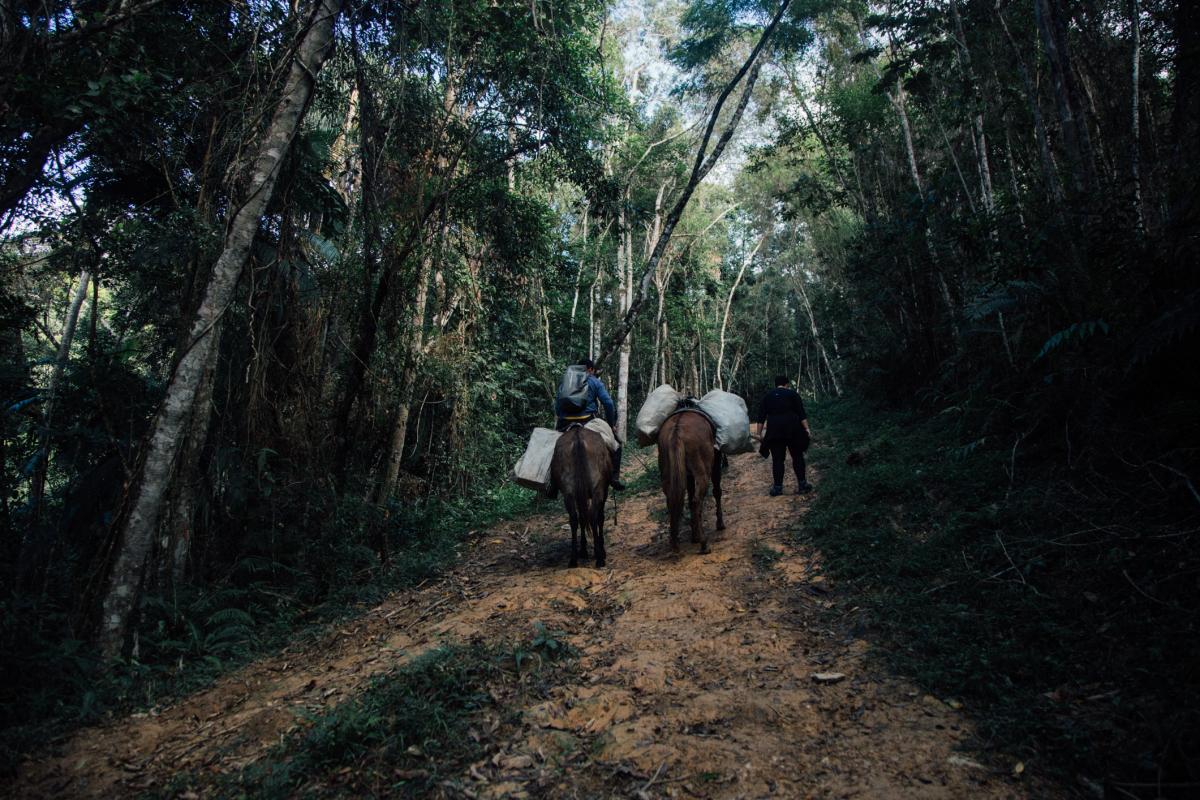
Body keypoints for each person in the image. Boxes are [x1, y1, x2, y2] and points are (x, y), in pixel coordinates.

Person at [556, 359, 625, 491]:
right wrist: (611, 424)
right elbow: (608, 403)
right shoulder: (594, 381)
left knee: (551, 449)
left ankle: (551, 484)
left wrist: (562, 419)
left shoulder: (566, 381)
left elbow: (557, 405)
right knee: (617, 445)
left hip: (565, 422)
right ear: (591, 369)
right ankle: (614, 478)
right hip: (588, 421)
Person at [755, 375, 812, 496]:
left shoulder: (767, 396)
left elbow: (761, 417)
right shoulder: (793, 394)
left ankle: (777, 488)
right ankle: (802, 485)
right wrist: (807, 429)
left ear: (776, 385)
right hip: (793, 428)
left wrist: (759, 434)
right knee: (797, 456)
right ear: (786, 384)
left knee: (777, 459)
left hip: (774, 430)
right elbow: (801, 414)